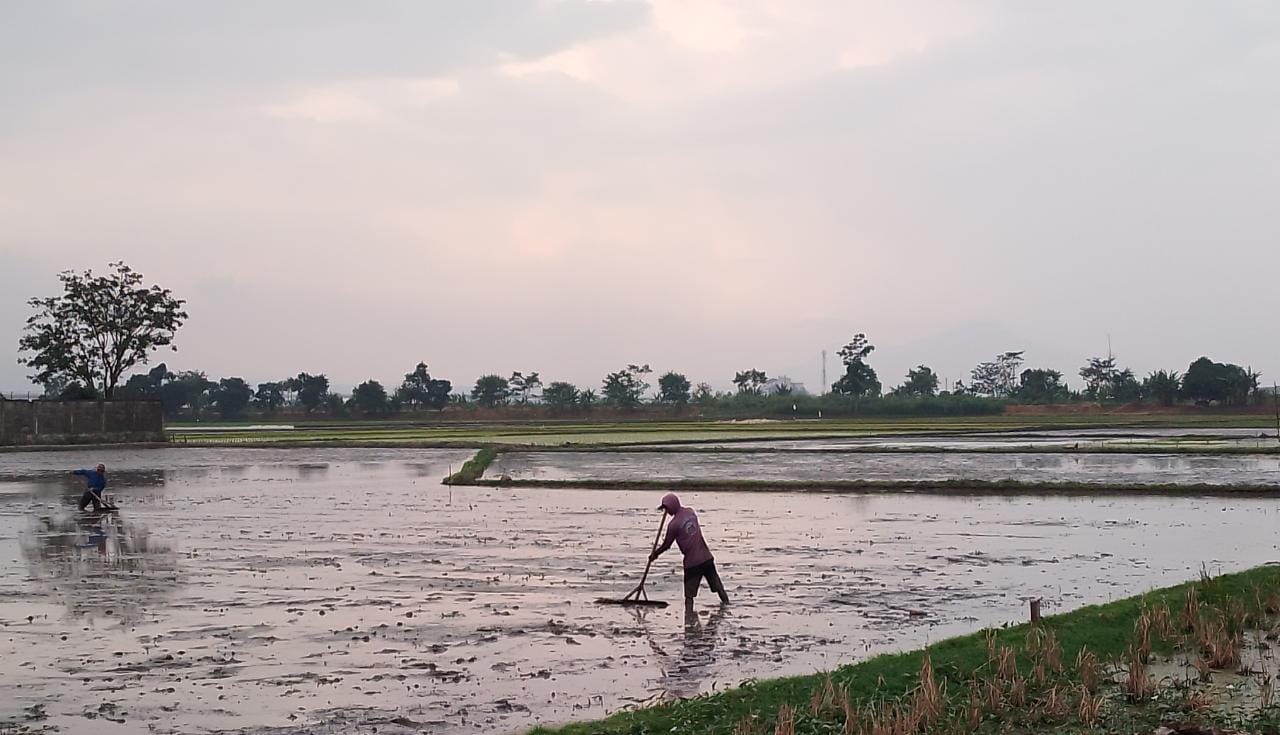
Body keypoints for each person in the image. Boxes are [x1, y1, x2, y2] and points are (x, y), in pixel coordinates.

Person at [650, 493, 729, 608]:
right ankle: (727, 605)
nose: (667, 512)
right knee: (718, 587)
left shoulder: (674, 525)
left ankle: (689, 617)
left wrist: (655, 554)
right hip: (707, 558)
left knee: (689, 596)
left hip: (693, 563)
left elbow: (667, 545)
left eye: (667, 508)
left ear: (672, 506)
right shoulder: (691, 512)